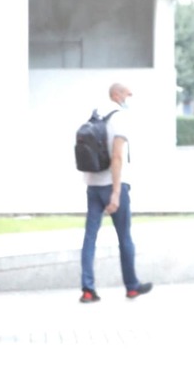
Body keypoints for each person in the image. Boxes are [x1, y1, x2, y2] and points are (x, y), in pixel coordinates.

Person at [79, 82, 153, 303]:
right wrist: (116, 192)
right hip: (113, 185)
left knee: (90, 238)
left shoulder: (94, 115)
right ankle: (131, 286)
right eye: (128, 94)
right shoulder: (120, 117)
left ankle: (87, 289)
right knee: (125, 238)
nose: (129, 97)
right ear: (117, 95)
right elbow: (117, 156)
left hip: (92, 185)